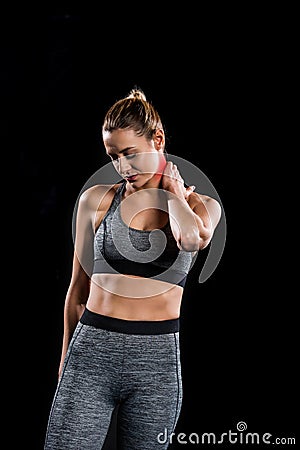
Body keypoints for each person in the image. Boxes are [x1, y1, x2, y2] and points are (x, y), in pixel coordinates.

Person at [44, 87, 222, 450]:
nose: (123, 167)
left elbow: (190, 240)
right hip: (91, 354)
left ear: (158, 140)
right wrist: (66, 358)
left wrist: (173, 194)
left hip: (156, 365)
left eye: (131, 154)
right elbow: (78, 289)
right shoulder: (96, 201)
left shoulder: (202, 206)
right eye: (113, 157)